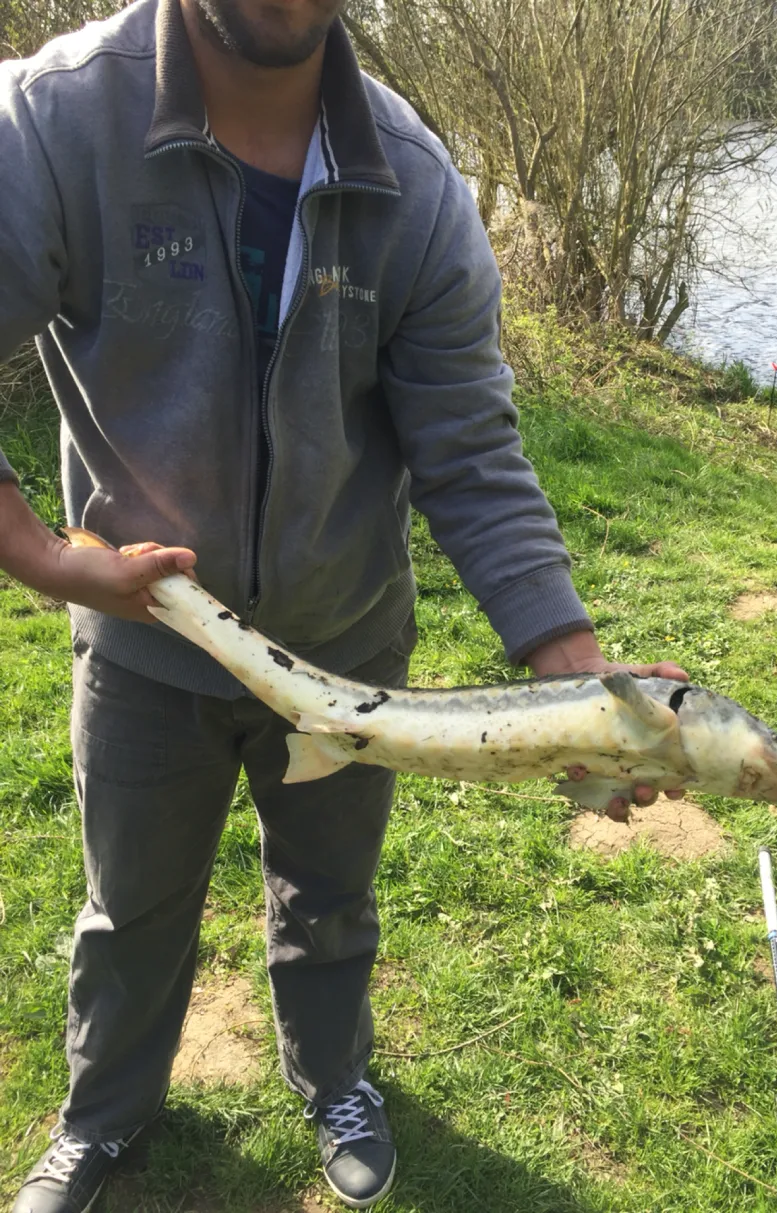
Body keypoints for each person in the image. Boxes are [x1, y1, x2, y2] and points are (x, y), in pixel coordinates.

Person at [0, 0, 687, 1207]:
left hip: (353, 642)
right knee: (133, 906)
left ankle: (335, 1080)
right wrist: (48, 559)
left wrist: (583, 681)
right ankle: (105, 1113)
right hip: (145, 639)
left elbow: (469, 449)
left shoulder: (412, 180)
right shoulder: (52, 124)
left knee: (331, 898)